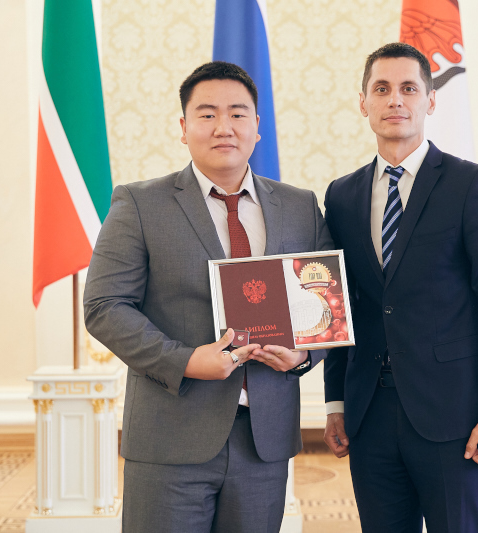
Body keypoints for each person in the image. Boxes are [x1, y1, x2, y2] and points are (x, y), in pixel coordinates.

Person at [84, 61, 333, 533]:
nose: (224, 127)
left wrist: (304, 354)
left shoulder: (299, 205)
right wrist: (185, 361)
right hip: (170, 435)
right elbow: (104, 306)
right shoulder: (140, 203)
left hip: (263, 440)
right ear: (183, 128)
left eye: (237, 114)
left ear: (257, 126)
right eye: (207, 114)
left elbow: (327, 302)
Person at [322, 43, 478, 533]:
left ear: (431, 100)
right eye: (381, 89)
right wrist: (335, 404)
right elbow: (339, 305)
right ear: (363, 102)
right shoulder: (342, 195)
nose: (395, 99)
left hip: (454, 416)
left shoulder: (471, 185)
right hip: (369, 415)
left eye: (409, 88)